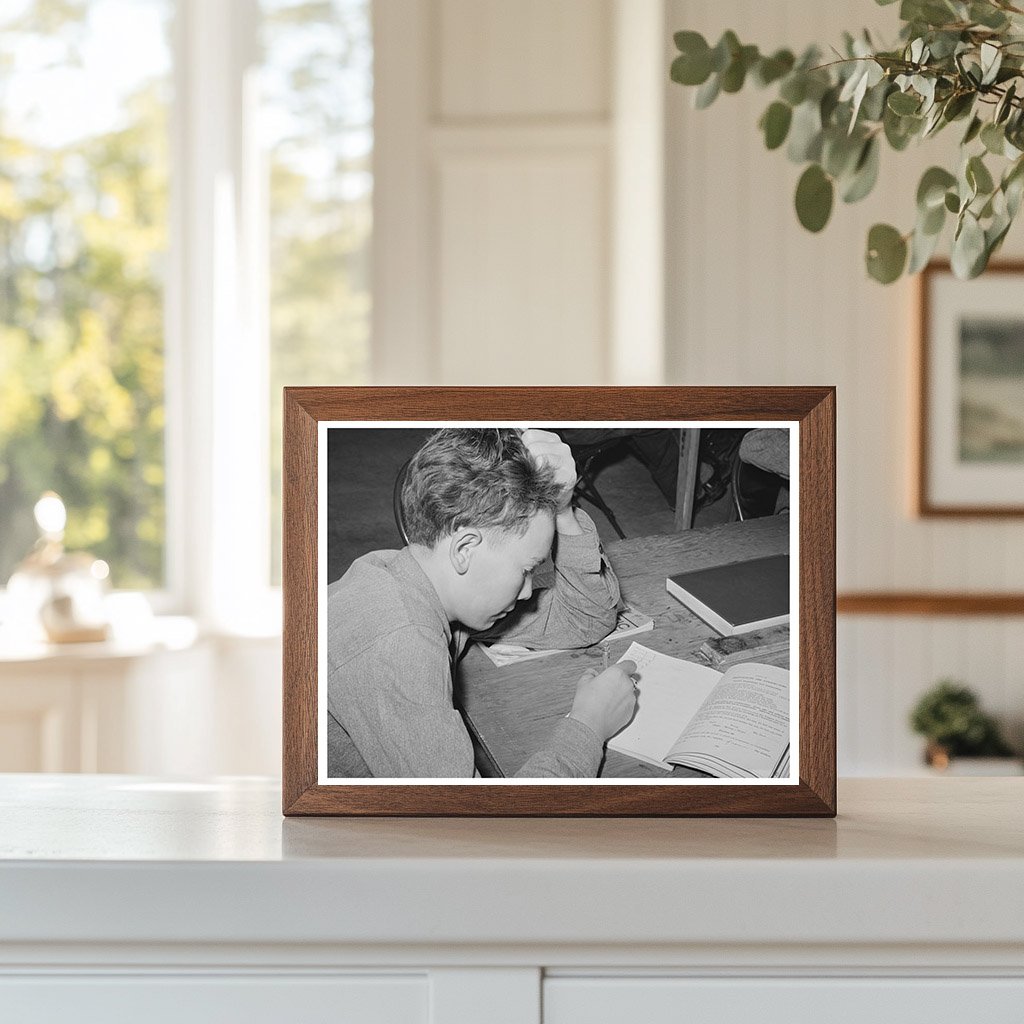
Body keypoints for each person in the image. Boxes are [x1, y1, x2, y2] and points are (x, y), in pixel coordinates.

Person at [325, 427, 638, 778]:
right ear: (464, 549)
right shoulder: (399, 644)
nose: (526, 592)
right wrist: (589, 725)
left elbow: (585, 618)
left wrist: (563, 510)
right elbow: (475, 827)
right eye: (526, 569)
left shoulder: (424, 577)